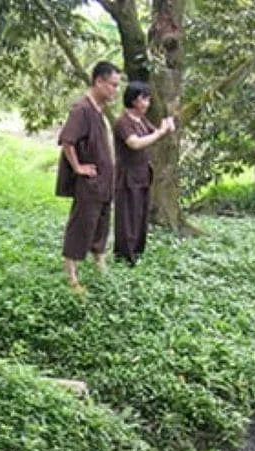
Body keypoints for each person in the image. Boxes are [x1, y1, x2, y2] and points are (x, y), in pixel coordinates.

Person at [57, 62, 121, 291]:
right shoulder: (82, 109)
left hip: (104, 180)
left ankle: (99, 263)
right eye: (113, 85)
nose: (116, 90)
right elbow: (67, 140)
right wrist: (78, 167)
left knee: (101, 222)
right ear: (99, 82)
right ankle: (71, 276)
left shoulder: (98, 110)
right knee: (82, 223)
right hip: (90, 181)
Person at [112, 82, 175, 266]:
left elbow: (154, 135)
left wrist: (166, 127)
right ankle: (124, 257)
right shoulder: (123, 122)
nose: (147, 102)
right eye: (144, 98)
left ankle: (137, 253)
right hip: (127, 176)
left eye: (148, 98)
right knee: (127, 217)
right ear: (133, 100)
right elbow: (135, 143)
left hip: (143, 175)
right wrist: (160, 132)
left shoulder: (141, 121)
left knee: (140, 216)